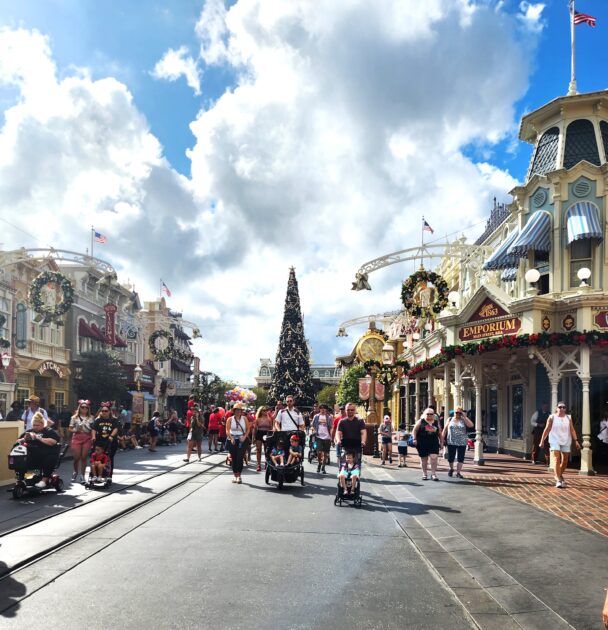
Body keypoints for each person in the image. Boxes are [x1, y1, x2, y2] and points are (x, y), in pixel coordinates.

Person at [539, 402, 580, 488]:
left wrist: (576, 440)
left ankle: (558, 475)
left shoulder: (569, 418)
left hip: (566, 440)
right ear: (556, 408)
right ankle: (558, 480)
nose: (562, 409)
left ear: (565, 409)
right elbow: (546, 429)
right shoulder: (552, 417)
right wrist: (542, 441)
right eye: (560, 407)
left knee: (565, 461)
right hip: (554, 441)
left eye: (563, 407)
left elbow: (572, 430)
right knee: (556, 459)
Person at [17, 411, 60, 488]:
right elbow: (18, 441)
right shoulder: (29, 432)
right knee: (19, 459)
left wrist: (38, 438)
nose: (35, 427)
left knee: (50, 459)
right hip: (33, 456)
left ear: (43, 424)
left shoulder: (49, 431)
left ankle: (44, 480)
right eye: (34, 425)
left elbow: (53, 442)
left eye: (37, 425)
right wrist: (23, 439)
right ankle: (21, 480)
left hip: (47, 455)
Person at [412, 407, 443, 481]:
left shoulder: (436, 422)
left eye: (431, 414)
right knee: (424, 459)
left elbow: (440, 433)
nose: (429, 415)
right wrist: (414, 439)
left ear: (433, 415)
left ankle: (433, 474)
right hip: (422, 442)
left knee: (434, 458)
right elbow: (414, 431)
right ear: (424, 414)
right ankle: (424, 473)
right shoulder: (421, 421)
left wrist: (441, 442)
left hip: (433, 442)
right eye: (427, 414)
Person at [443, 408, 474, 478]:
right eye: (457, 412)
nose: (458, 414)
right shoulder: (450, 419)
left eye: (460, 413)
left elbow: (471, 425)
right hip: (451, 441)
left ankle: (458, 472)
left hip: (462, 442)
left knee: (460, 458)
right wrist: (442, 439)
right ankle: (451, 468)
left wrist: (465, 416)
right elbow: (444, 430)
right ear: (454, 412)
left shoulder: (463, 420)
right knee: (451, 458)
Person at [91, 403, 120, 478]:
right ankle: (96, 474)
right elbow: (94, 429)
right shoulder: (98, 420)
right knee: (97, 457)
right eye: (102, 411)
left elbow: (115, 429)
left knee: (109, 458)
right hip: (99, 442)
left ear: (109, 411)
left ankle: (109, 475)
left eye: (106, 411)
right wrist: (93, 437)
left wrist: (111, 436)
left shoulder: (114, 420)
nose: (104, 412)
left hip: (110, 442)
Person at [69, 399, 94, 483]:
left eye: (86, 407)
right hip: (77, 437)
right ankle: (75, 471)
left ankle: (82, 475)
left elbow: (93, 429)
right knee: (76, 457)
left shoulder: (91, 417)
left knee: (84, 457)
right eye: (82, 407)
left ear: (88, 409)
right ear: (79, 408)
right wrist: (76, 430)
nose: (84, 409)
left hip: (87, 437)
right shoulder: (74, 417)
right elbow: (70, 428)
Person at [226, 402, 249, 483]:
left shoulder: (245, 419)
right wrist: (231, 438)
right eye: (237, 410)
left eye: (240, 410)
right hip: (232, 440)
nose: (238, 412)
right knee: (234, 458)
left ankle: (239, 475)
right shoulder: (230, 419)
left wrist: (244, 437)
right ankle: (235, 475)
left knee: (240, 458)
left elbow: (248, 429)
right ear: (234, 411)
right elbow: (227, 430)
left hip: (242, 439)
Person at [311, 404, 333, 473]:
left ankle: (323, 466)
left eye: (324, 409)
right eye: (321, 408)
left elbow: (331, 427)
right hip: (319, 437)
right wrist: (314, 430)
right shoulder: (316, 416)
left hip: (327, 437)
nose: (323, 410)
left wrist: (331, 437)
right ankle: (319, 463)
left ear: (326, 410)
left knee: (326, 453)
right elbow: (313, 424)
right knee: (319, 452)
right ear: (319, 409)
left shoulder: (329, 417)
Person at [254, 406, 273, 472]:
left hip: (267, 434)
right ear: (261, 411)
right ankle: (258, 465)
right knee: (258, 449)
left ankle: (266, 463)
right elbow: (255, 429)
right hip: (259, 434)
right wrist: (253, 438)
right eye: (264, 410)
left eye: (266, 410)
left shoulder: (269, 419)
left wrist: (272, 436)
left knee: (266, 450)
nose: (265, 412)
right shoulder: (257, 419)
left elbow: (271, 428)